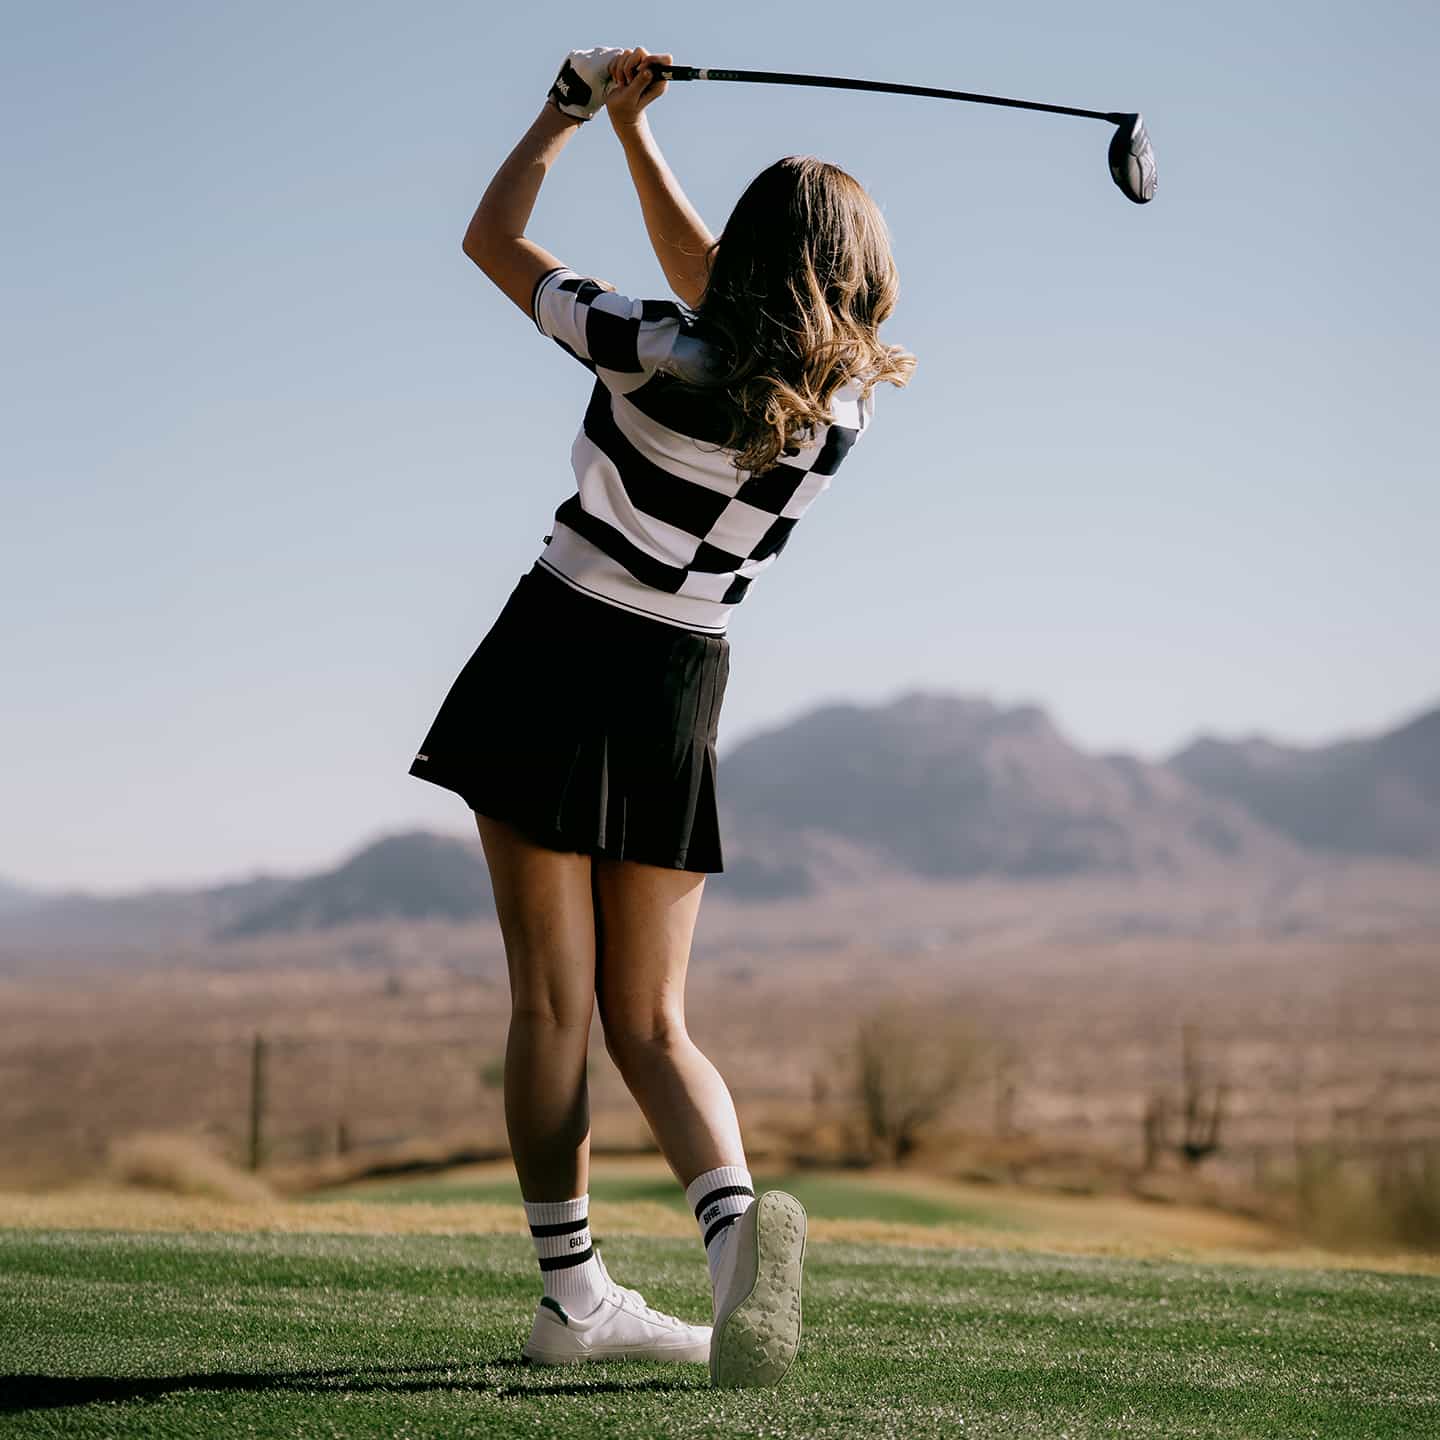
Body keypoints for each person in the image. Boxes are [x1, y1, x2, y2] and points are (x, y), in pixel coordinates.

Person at [407, 44, 914, 1387]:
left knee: (552, 1006)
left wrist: (571, 109)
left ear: (747, 258)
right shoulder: (843, 411)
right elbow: (737, 299)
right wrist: (642, 135)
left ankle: (573, 1297)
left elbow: (492, 238)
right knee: (653, 1019)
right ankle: (738, 1249)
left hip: (558, 647)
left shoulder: (646, 345)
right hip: (683, 683)